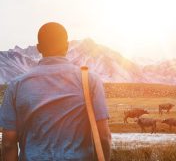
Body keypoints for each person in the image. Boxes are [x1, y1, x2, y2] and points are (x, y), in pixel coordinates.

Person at [0, 22, 111, 161]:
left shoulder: (16, 85)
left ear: (39, 48)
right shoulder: (90, 80)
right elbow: (104, 136)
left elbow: (8, 143)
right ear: (67, 46)